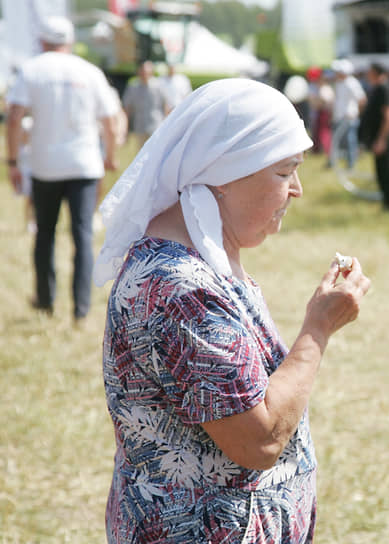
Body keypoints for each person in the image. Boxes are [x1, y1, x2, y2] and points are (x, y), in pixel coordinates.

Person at [94, 78, 371, 543]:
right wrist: (317, 330)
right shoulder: (183, 289)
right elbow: (257, 440)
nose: (298, 189)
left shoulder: (195, 263)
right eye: (284, 172)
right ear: (224, 173)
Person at [5, 16, 119, 320]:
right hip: (84, 165)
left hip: (45, 166)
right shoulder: (90, 71)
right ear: (69, 42)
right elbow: (109, 120)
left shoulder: (32, 70)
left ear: (42, 42)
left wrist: (13, 160)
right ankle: (81, 308)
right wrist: (110, 154)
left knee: (45, 233)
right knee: (82, 235)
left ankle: (45, 300)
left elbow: (14, 117)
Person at [362, 62, 389, 212]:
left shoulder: (385, 88)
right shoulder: (377, 88)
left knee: (388, 172)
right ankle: (387, 204)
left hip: (384, 139)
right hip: (377, 138)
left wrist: (381, 139)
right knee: (381, 173)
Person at [328, 59, 366, 171]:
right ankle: (333, 162)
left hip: (349, 117)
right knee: (337, 140)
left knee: (350, 141)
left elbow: (362, 99)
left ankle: (351, 164)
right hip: (339, 116)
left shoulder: (352, 83)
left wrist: (356, 113)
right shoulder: (339, 82)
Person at [122, 60, 169, 148]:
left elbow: (165, 105)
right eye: (143, 72)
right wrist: (126, 128)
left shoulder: (158, 86)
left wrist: (166, 124)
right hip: (140, 126)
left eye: (147, 72)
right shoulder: (133, 87)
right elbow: (127, 108)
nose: (144, 74)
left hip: (156, 125)